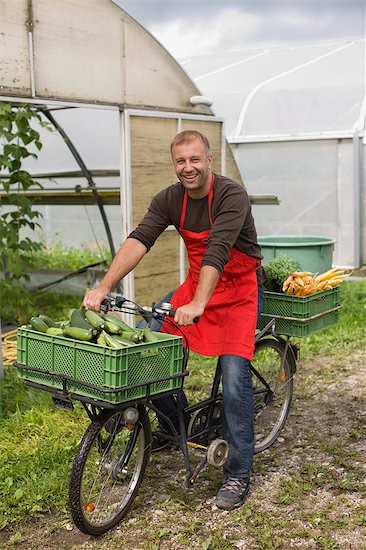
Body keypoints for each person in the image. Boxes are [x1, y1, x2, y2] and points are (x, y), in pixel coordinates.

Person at [83, 130, 265, 510]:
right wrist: (103, 285)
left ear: (210, 161)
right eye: (180, 161)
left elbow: (217, 250)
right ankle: (178, 424)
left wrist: (200, 303)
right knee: (150, 351)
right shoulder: (169, 198)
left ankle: (237, 472)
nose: (188, 168)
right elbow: (140, 239)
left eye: (195, 159)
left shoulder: (231, 196)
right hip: (197, 285)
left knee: (234, 379)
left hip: (236, 291)